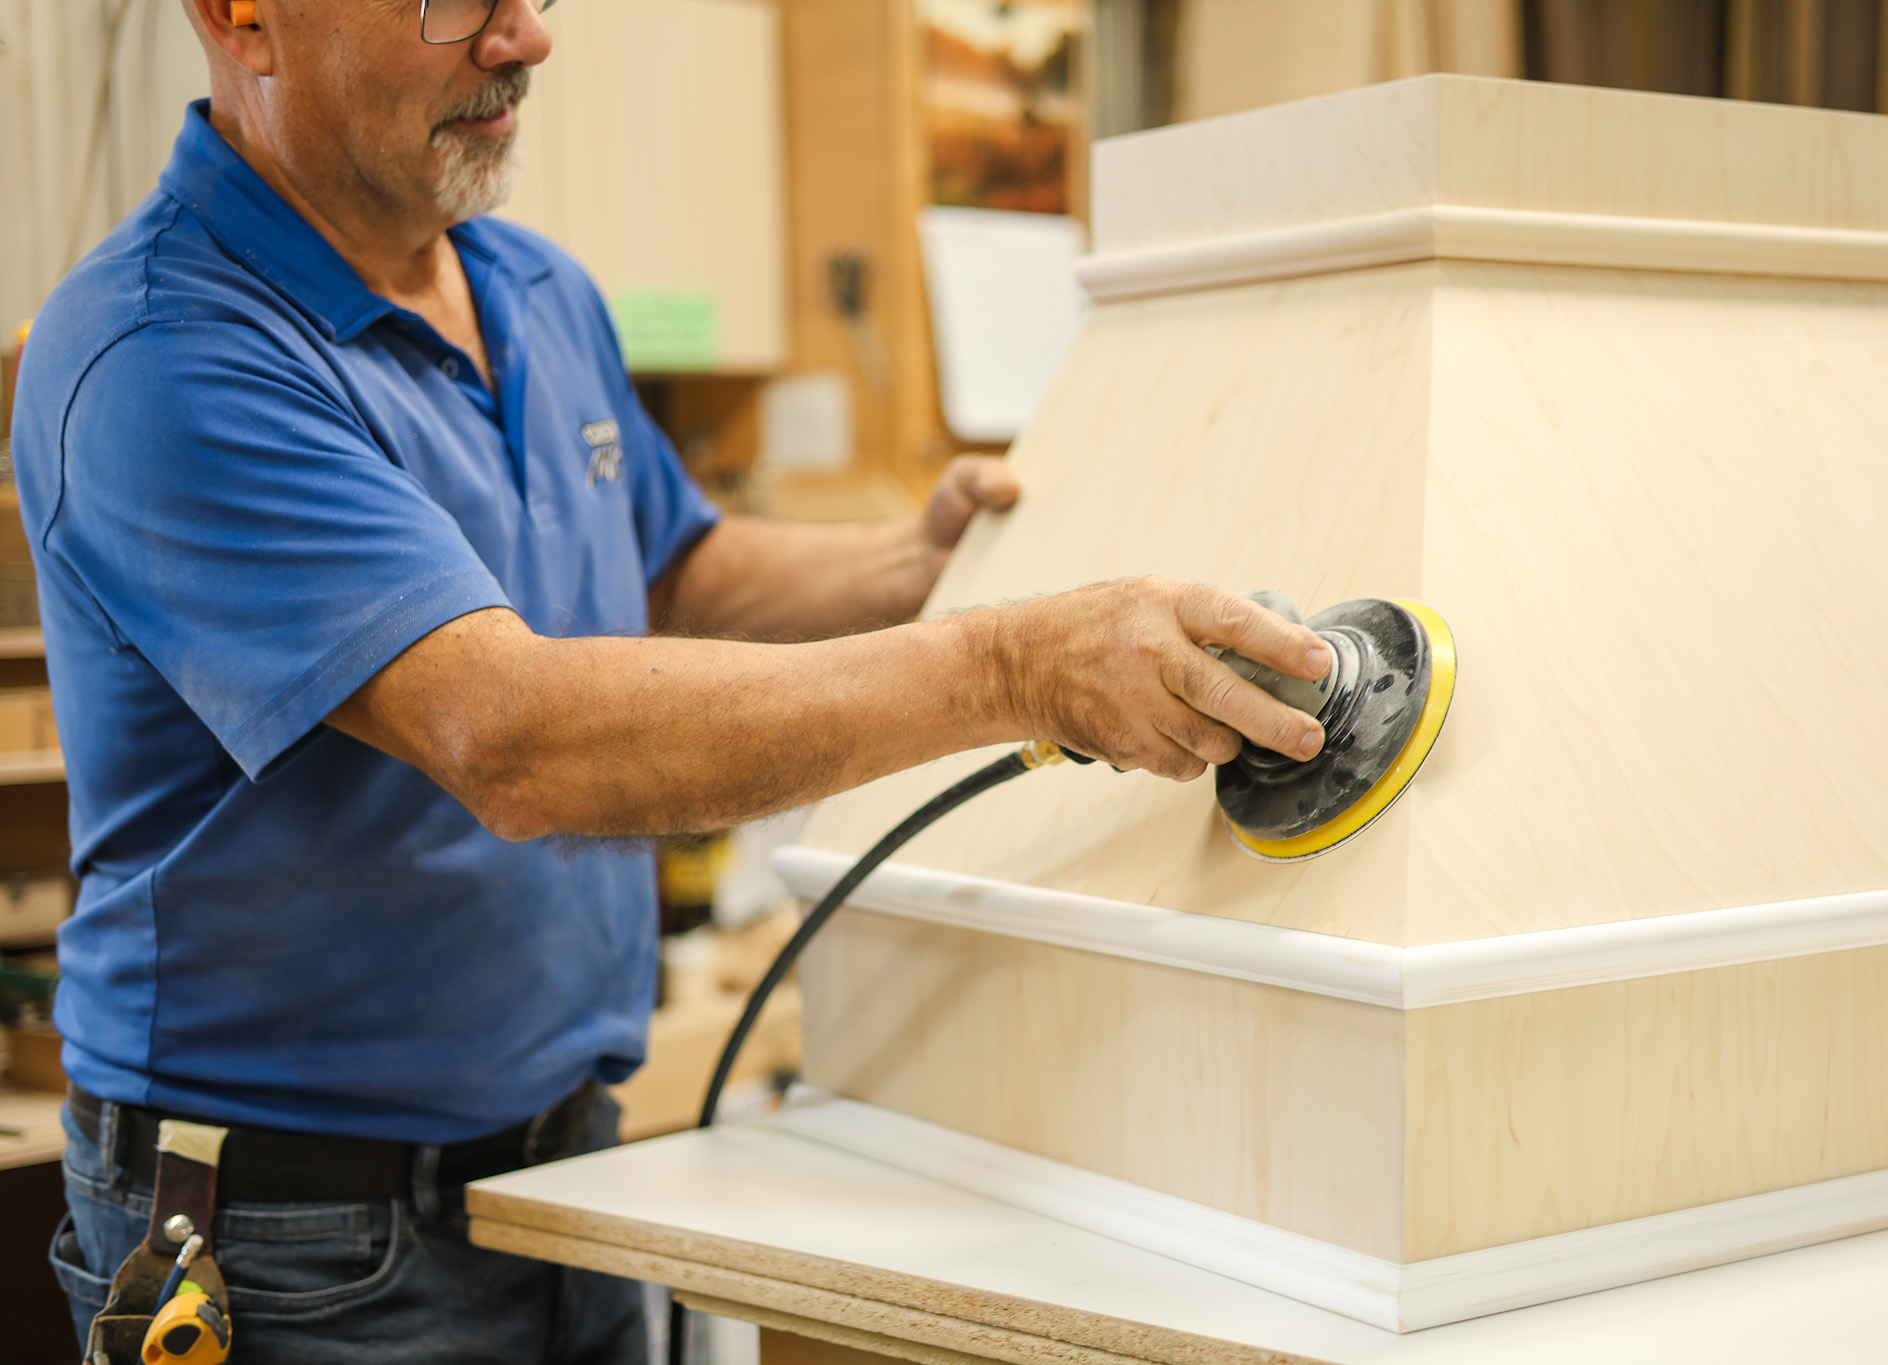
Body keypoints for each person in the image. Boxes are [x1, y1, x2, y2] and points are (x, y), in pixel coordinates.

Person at [8, 1, 1333, 1360]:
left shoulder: (533, 289)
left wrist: (918, 560)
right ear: (243, 17)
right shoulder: (163, 351)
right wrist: (1010, 665)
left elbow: (672, 564)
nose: (524, 39)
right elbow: (513, 740)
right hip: (292, 1236)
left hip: (569, 1160)